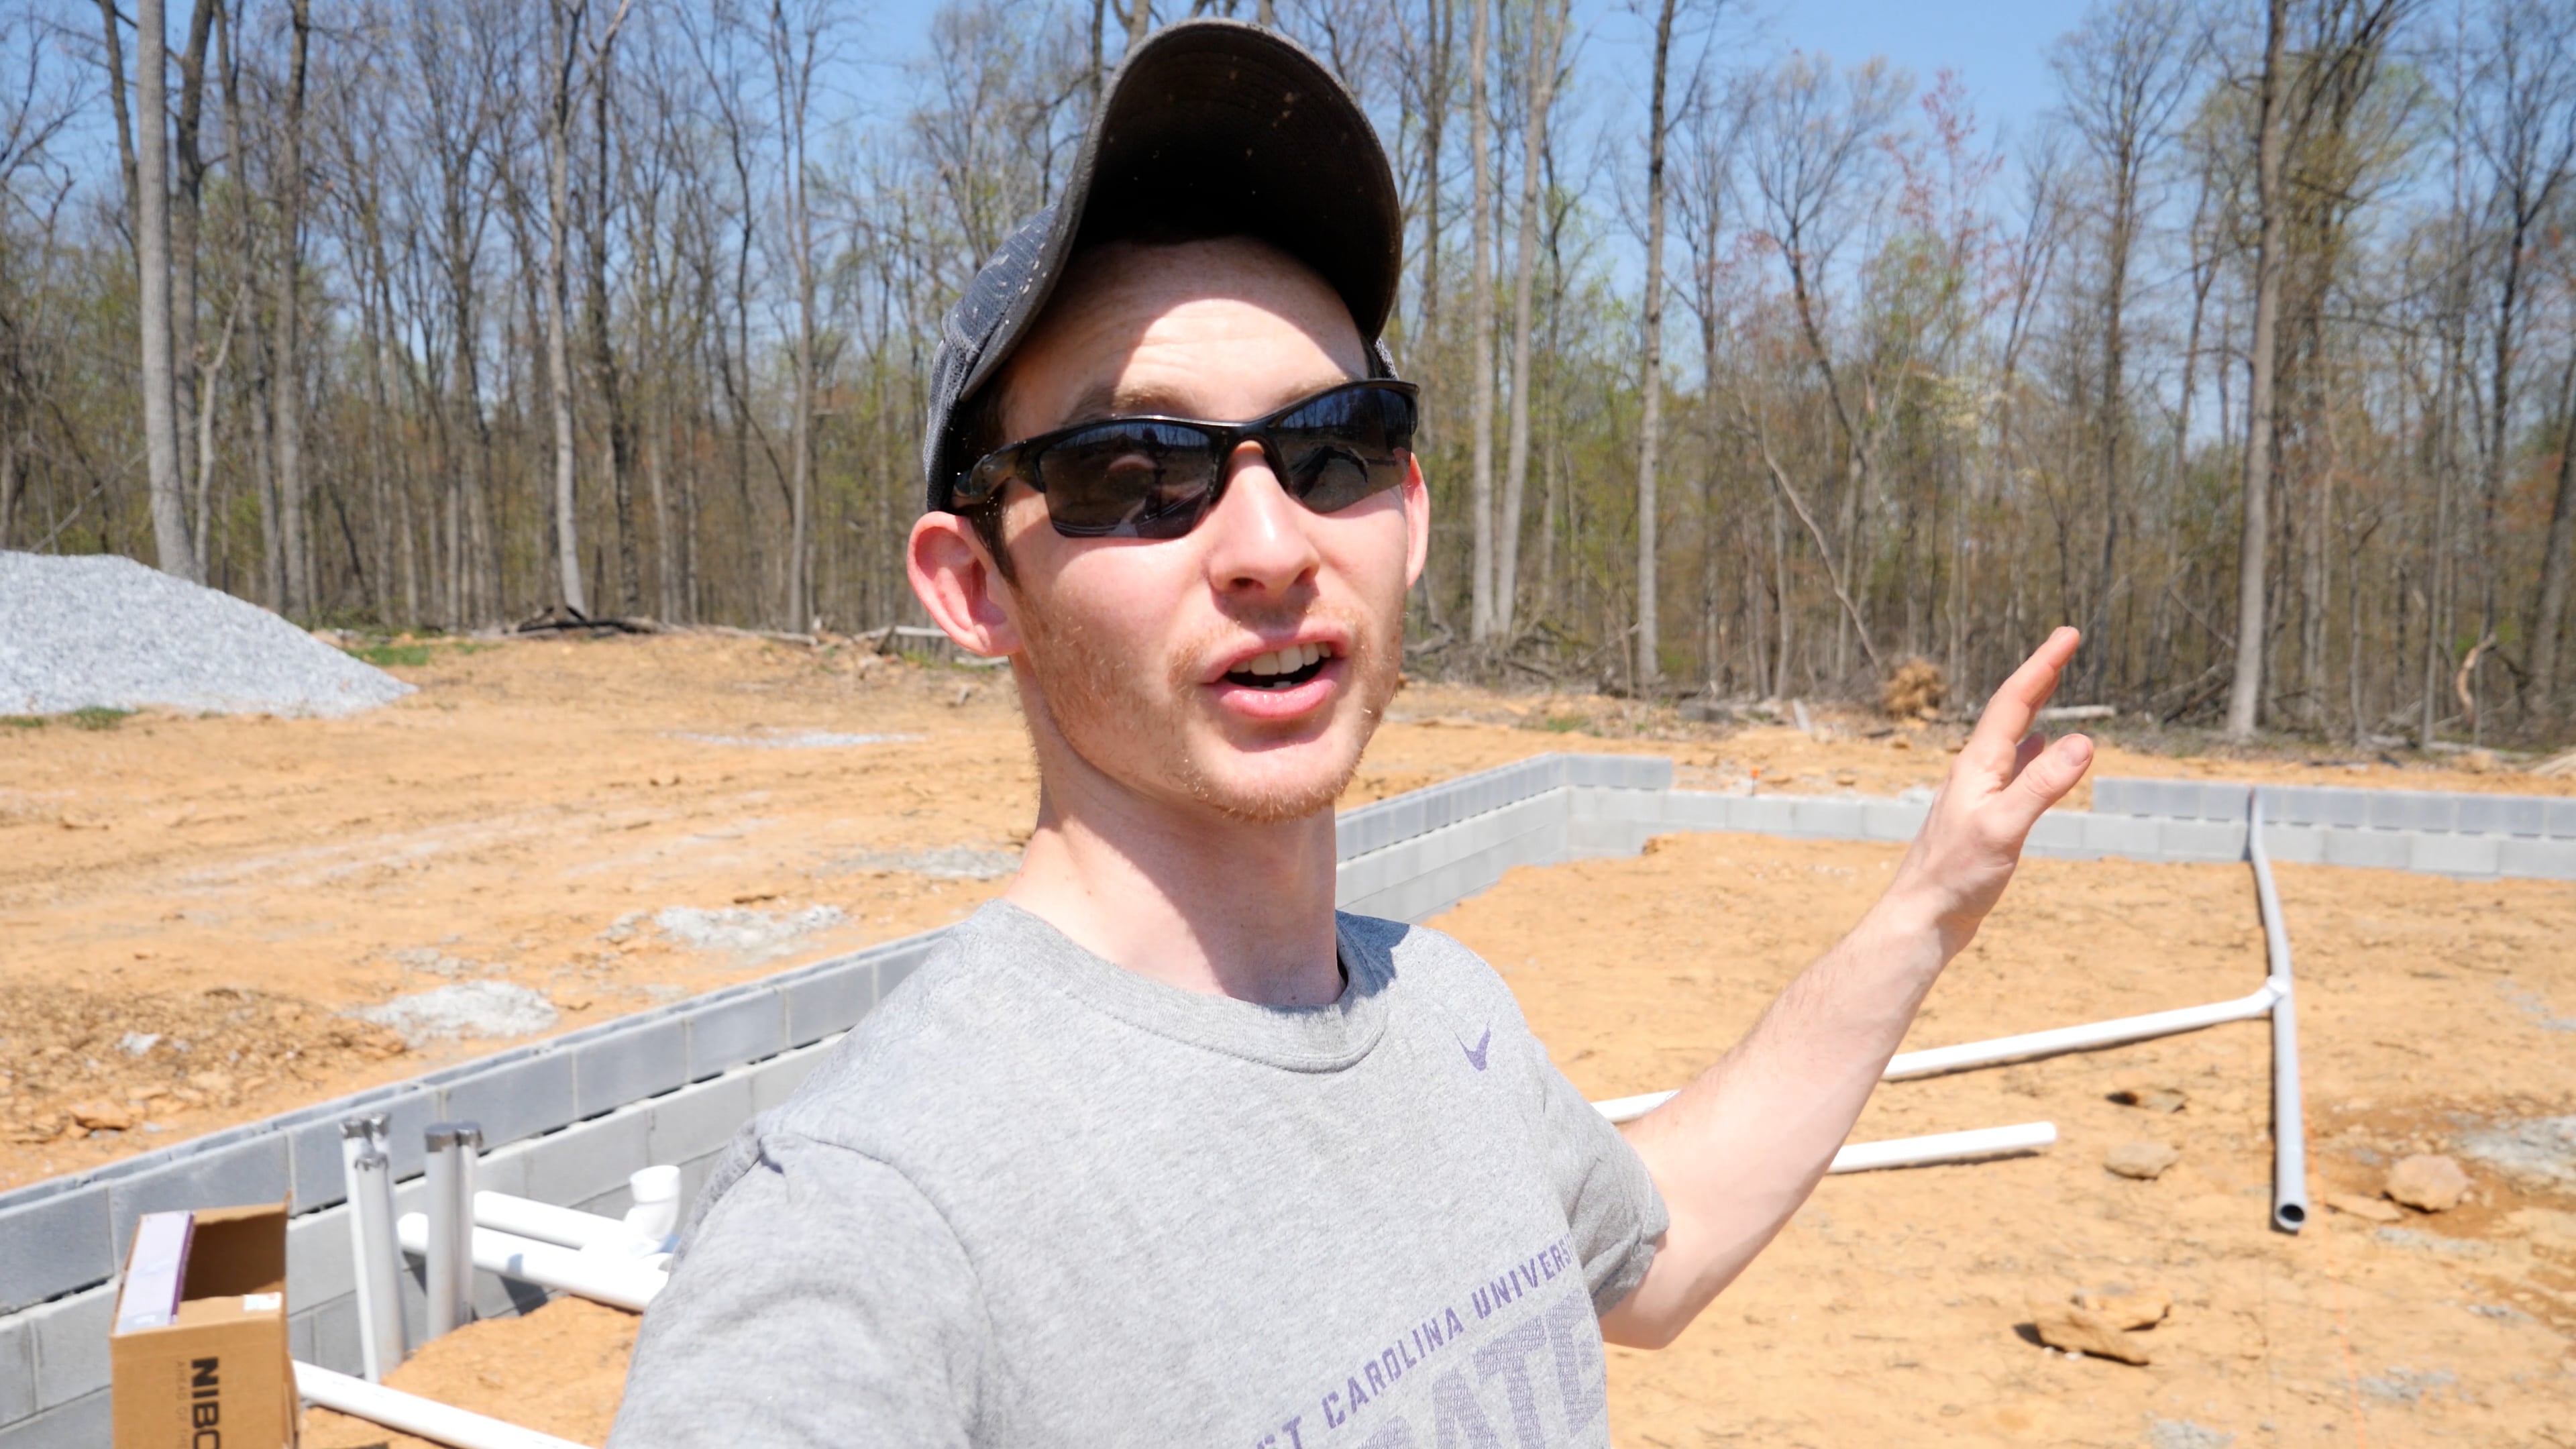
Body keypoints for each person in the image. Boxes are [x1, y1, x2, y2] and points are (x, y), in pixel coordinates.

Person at [609, 20, 2092, 1448]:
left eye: (1335, 449)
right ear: (972, 587)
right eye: (1136, 470)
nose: (1269, 541)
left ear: (1411, 514)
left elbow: (1665, 1246)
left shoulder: (1441, 1011)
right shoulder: (870, 1219)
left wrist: (1928, 905)